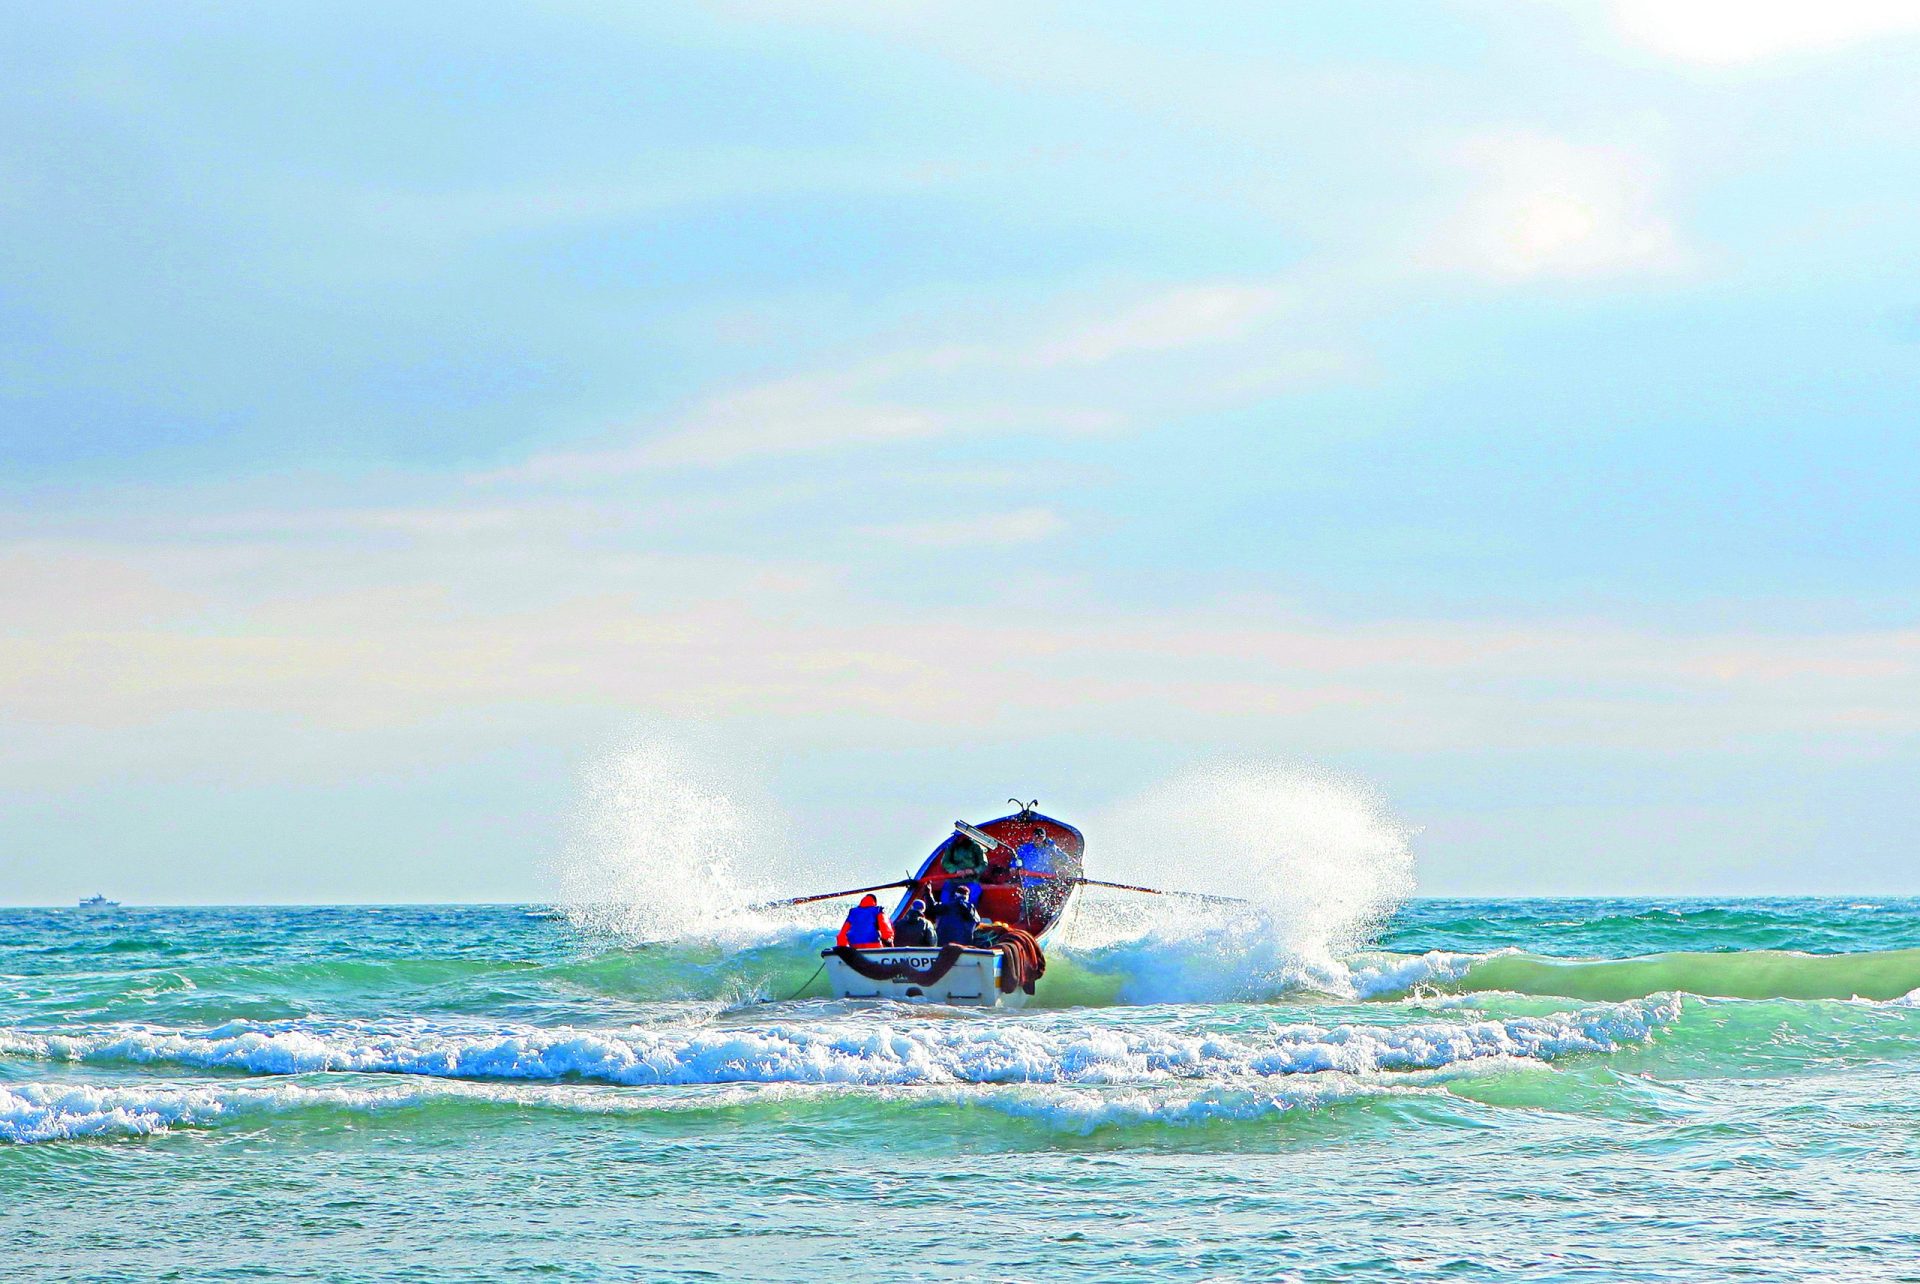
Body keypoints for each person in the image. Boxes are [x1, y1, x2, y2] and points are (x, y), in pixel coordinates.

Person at [933, 883, 983, 949]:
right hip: (963, 946)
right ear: (967, 895)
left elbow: (932, 907)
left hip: (943, 944)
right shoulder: (971, 907)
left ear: (955, 894)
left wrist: (928, 894)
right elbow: (977, 921)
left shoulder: (946, 905)